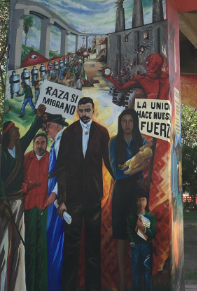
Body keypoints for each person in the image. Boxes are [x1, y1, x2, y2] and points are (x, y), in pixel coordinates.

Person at [54, 97, 114, 291]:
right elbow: (61, 167)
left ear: (93, 111)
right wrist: (62, 200)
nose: (85, 114)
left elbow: (108, 161)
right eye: (81, 110)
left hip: (94, 198)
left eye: (88, 110)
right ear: (78, 111)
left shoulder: (102, 133)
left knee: (93, 247)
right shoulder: (68, 133)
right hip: (72, 200)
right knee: (71, 247)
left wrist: (121, 179)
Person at [0, 104, 46, 291]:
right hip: (5, 204)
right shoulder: (3, 154)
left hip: (18, 202)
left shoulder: (18, 146)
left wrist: (38, 117)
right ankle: (0, 286)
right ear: (9, 134)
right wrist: (2, 201)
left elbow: (32, 132)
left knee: (18, 247)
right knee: (2, 246)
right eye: (15, 129)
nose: (17, 130)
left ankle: (17, 287)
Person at [110, 109, 149, 291]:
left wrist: (130, 170)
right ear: (120, 123)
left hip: (137, 192)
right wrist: (134, 169)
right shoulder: (113, 142)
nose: (127, 124)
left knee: (139, 234)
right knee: (120, 236)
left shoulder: (141, 142)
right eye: (124, 121)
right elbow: (117, 172)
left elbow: (144, 165)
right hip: (120, 193)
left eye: (130, 121)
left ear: (135, 123)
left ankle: (137, 279)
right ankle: (123, 281)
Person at [44, 113, 69, 291]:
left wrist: (55, 193)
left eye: (50, 125)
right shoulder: (56, 142)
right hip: (53, 187)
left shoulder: (61, 142)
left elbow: (64, 170)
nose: (47, 128)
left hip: (57, 191)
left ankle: (54, 283)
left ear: (58, 127)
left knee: (54, 235)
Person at [23, 131, 50, 291]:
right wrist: (27, 187)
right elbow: (16, 180)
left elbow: (58, 180)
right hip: (29, 207)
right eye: (37, 142)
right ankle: (28, 285)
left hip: (45, 208)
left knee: (43, 248)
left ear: (46, 144)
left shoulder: (52, 158)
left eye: (43, 142)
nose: (40, 145)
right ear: (33, 144)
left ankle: (42, 286)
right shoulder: (26, 158)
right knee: (30, 246)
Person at [127, 186, 156, 291]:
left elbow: (152, 233)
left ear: (147, 201)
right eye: (139, 200)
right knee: (135, 270)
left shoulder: (151, 217)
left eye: (143, 200)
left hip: (146, 246)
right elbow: (129, 229)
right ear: (135, 202)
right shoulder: (131, 216)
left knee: (147, 269)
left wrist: (143, 227)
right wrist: (131, 241)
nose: (141, 203)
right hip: (135, 246)